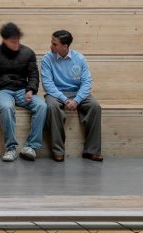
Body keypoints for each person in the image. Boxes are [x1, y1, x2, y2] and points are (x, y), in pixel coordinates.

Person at [0, 22, 47, 162]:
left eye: (17, 40)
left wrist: (31, 89)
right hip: (2, 91)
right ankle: (11, 149)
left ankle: (31, 147)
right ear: (4, 40)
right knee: (6, 107)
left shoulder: (28, 53)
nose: (16, 44)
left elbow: (33, 75)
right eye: (12, 41)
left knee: (42, 106)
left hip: (23, 91)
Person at [41, 30, 103, 162]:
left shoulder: (79, 58)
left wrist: (77, 100)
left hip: (77, 92)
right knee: (52, 107)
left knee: (95, 107)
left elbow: (86, 83)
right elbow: (48, 85)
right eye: (51, 42)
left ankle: (92, 151)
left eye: (54, 44)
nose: (51, 46)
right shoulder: (47, 59)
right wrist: (65, 100)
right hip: (56, 93)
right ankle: (58, 151)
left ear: (65, 46)